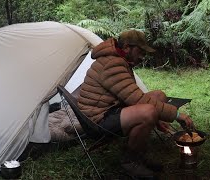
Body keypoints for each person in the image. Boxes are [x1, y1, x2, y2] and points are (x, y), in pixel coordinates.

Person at [77, 29, 194, 178]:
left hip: (111, 108)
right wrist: (177, 115)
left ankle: (139, 155)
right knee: (148, 112)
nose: (143, 56)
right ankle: (130, 162)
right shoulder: (112, 64)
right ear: (126, 47)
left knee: (158, 95)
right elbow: (138, 100)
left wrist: (158, 119)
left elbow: (130, 95)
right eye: (140, 51)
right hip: (97, 120)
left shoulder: (118, 60)